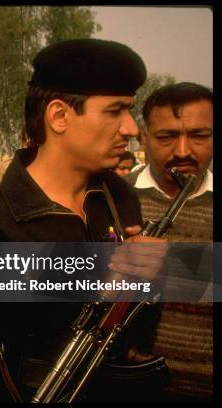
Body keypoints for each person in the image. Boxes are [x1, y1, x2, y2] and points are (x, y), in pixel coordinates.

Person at [0, 39, 169, 402]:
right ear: (59, 116)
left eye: (130, 111)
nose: (131, 128)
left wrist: (155, 277)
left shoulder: (119, 197)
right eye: (115, 111)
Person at [123, 82, 213, 401]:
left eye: (200, 135)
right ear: (143, 138)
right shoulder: (109, 199)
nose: (183, 151)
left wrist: (172, 265)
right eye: (167, 137)